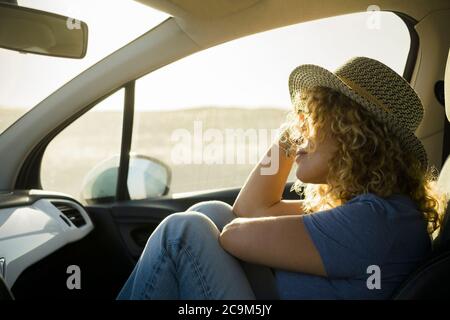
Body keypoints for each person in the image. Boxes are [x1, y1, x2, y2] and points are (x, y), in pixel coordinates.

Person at [116, 57, 447, 300]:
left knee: (182, 233)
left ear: (353, 135)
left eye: (313, 122)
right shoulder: (380, 211)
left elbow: (235, 235)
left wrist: (293, 141)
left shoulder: (376, 220)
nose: (301, 133)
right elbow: (246, 210)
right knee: (212, 212)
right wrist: (291, 136)